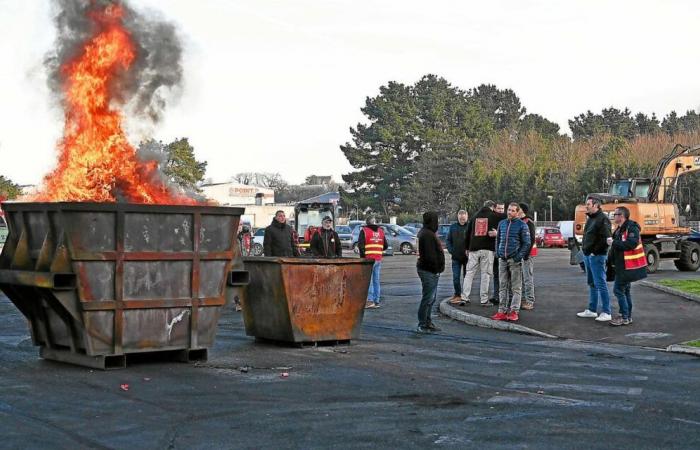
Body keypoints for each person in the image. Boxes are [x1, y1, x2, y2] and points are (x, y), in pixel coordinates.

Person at [491, 203, 531, 322]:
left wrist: (518, 257)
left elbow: (527, 243)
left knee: (516, 287)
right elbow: (498, 239)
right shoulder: (502, 224)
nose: (510, 212)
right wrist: (497, 253)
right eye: (509, 210)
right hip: (502, 259)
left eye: (513, 211)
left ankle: (514, 311)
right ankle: (501, 311)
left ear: (517, 212)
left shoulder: (522, 225)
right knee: (502, 286)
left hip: (514, 260)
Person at [608, 206, 647, 326]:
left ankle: (624, 316)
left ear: (621, 216)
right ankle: (627, 316)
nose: (613, 217)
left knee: (618, 290)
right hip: (622, 265)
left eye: (615, 214)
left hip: (627, 266)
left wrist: (614, 242)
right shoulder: (620, 228)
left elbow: (631, 244)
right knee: (625, 291)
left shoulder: (631, 228)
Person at [576, 197, 613, 322]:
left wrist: (593, 252)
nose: (586, 206)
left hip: (597, 256)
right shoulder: (591, 219)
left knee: (600, 283)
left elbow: (606, 239)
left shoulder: (603, 219)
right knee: (592, 283)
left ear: (596, 205)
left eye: (588, 204)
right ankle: (592, 310)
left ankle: (606, 311)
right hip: (588, 255)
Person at [462, 200, 501, 306]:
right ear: (492, 207)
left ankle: (464, 297)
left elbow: (467, 232)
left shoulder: (474, 216)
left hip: (473, 249)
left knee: (469, 273)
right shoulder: (494, 216)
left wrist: (467, 247)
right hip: (487, 249)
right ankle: (484, 299)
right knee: (486, 274)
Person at [416, 211, 445, 333]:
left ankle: (427, 322)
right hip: (428, 270)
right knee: (428, 298)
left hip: (429, 270)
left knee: (430, 298)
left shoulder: (427, 233)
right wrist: (436, 269)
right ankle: (423, 323)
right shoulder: (427, 235)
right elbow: (429, 256)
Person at [359, 216, 388, 309]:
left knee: (369, 281)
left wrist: (363, 257)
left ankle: (370, 300)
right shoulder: (381, 231)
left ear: (367, 223)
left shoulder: (364, 231)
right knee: (376, 280)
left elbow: (361, 245)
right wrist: (378, 249)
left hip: (368, 259)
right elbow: (385, 246)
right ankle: (376, 300)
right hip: (378, 258)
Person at [446, 210, 469, 305]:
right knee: (456, 277)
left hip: (467, 258)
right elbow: (448, 240)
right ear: (458, 217)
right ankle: (457, 294)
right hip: (456, 257)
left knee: (466, 278)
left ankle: (465, 295)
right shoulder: (453, 227)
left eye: (464, 217)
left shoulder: (470, 227)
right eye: (460, 217)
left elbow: (473, 240)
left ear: (467, 216)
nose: (462, 219)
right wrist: (452, 251)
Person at [518, 203, 537, 310]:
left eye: (518, 208)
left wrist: (526, 254)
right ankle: (523, 299)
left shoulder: (528, 222)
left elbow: (532, 239)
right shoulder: (519, 221)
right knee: (520, 278)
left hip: (527, 254)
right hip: (519, 253)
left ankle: (529, 300)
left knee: (527, 277)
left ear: (522, 210)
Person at [489, 202, 507, 304]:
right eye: (499, 208)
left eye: (502, 209)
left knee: (504, 276)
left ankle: (502, 297)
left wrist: (497, 233)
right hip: (493, 251)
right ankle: (496, 296)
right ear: (494, 209)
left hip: (502, 252)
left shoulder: (505, 220)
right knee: (496, 275)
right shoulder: (491, 219)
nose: (501, 210)